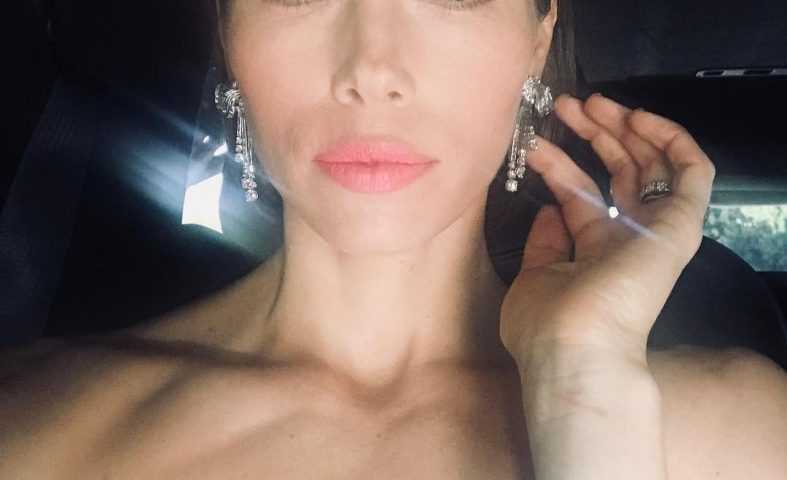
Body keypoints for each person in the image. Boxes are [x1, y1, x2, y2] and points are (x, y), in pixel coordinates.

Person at [1, 0, 786, 478]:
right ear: (226, 33)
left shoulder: (745, 431)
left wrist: (587, 400)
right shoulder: (28, 424)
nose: (371, 69)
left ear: (537, 37)